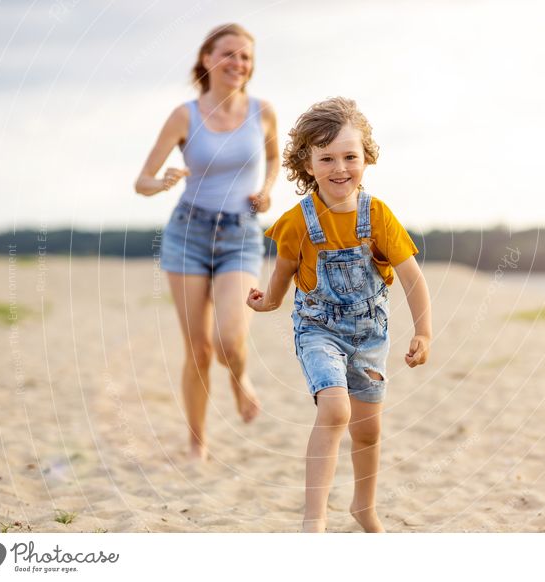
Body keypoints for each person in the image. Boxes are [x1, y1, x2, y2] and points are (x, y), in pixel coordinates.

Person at [247, 97, 432, 532]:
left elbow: (411, 277)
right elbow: (283, 274)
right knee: (334, 411)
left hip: (370, 334)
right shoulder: (297, 222)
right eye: (326, 158)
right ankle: (315, 521)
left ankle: (363, 507)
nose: (340, 168)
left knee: (367, 431)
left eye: (350, 156)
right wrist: (268, 302)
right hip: (318, 329)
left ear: (366, 157)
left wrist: (424, 332)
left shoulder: (379, 216)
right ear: (307, 164)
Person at [135, 24, 278, 460]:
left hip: (240, 234)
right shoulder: (185, 114)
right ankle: (197, 441)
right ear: (206, 59)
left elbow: (273, 158)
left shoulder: (263, 111)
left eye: (246, 57)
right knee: (198, 349)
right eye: (229, 54)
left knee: (230, 339)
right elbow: (141, 181)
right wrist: (164, 182)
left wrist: (268, 189)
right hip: (188, 235)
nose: (238, 63)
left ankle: (239, 379)